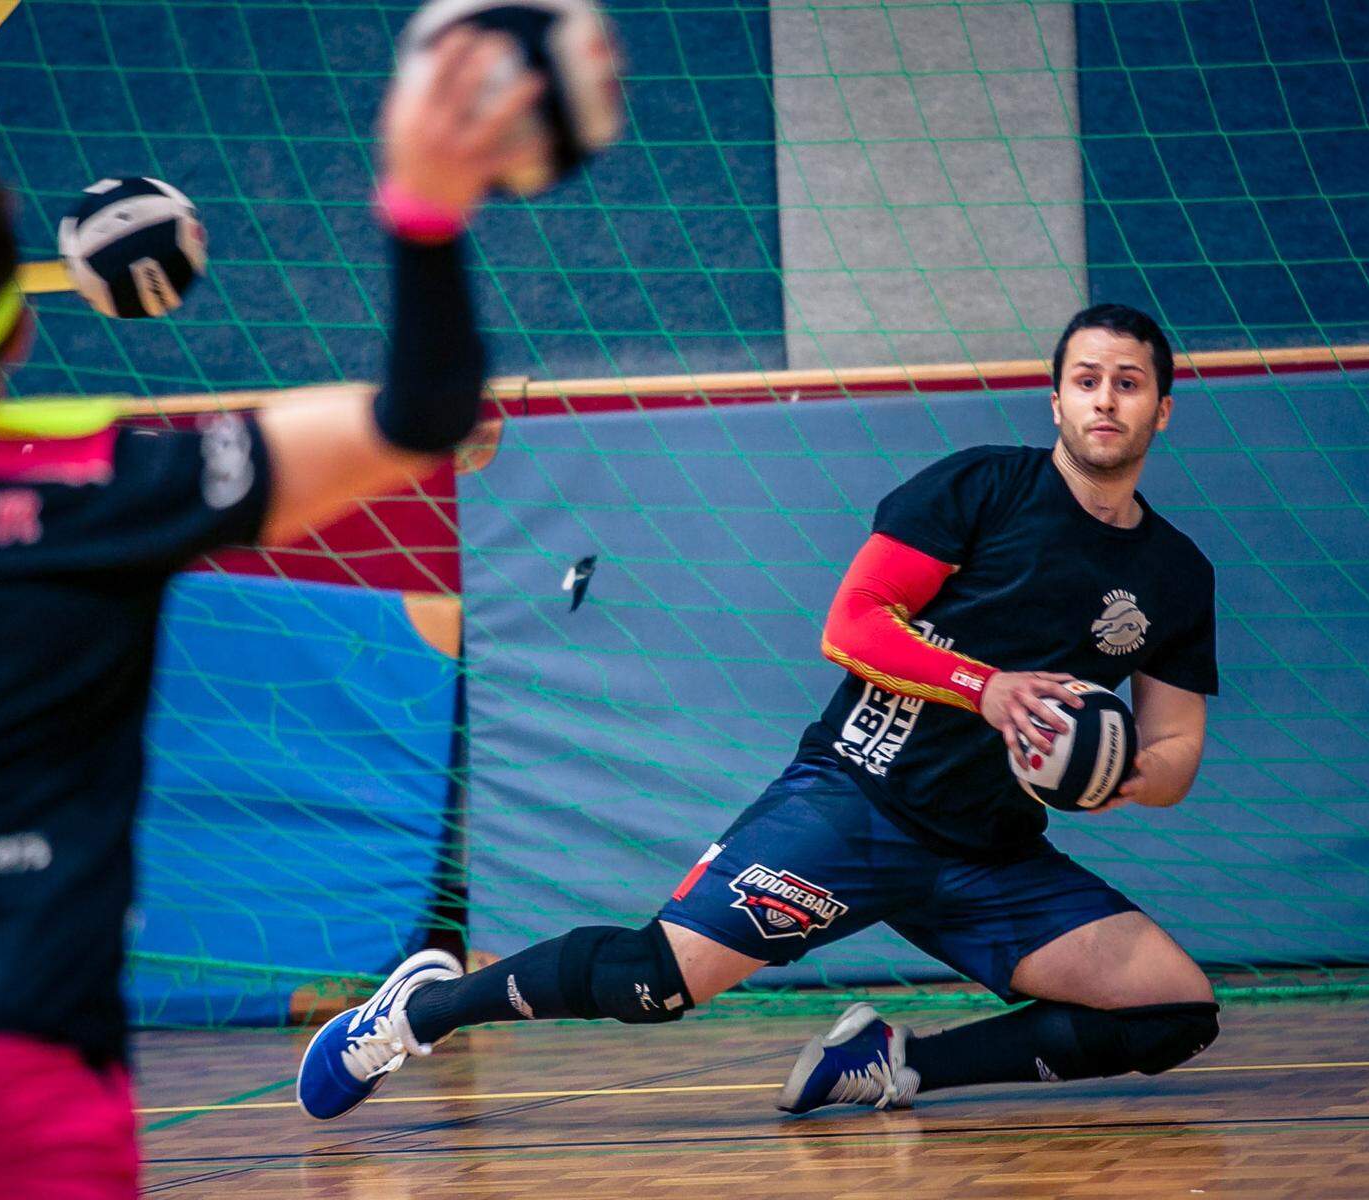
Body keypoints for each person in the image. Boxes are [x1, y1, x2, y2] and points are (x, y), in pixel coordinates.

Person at [0, 28, 541, 1199]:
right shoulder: (107, 492)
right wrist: (425, 201)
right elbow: (426, 411)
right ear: (16, 331)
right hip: (15, 1050)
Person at [298, 303, 1221, 1121]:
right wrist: (990, 687)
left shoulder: (1176, 576)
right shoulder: (982, 487)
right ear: (1055, 401)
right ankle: (415, 1012)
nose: (1106, 400)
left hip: (987, 849)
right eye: (1086, 380)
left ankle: (893, 1065)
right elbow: (852, 623)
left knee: (1175, 1009)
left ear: (1162, 409)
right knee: (652, 981)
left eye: (1128, 384)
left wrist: (1118, 772)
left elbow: (1176, 747)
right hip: (855, 804)